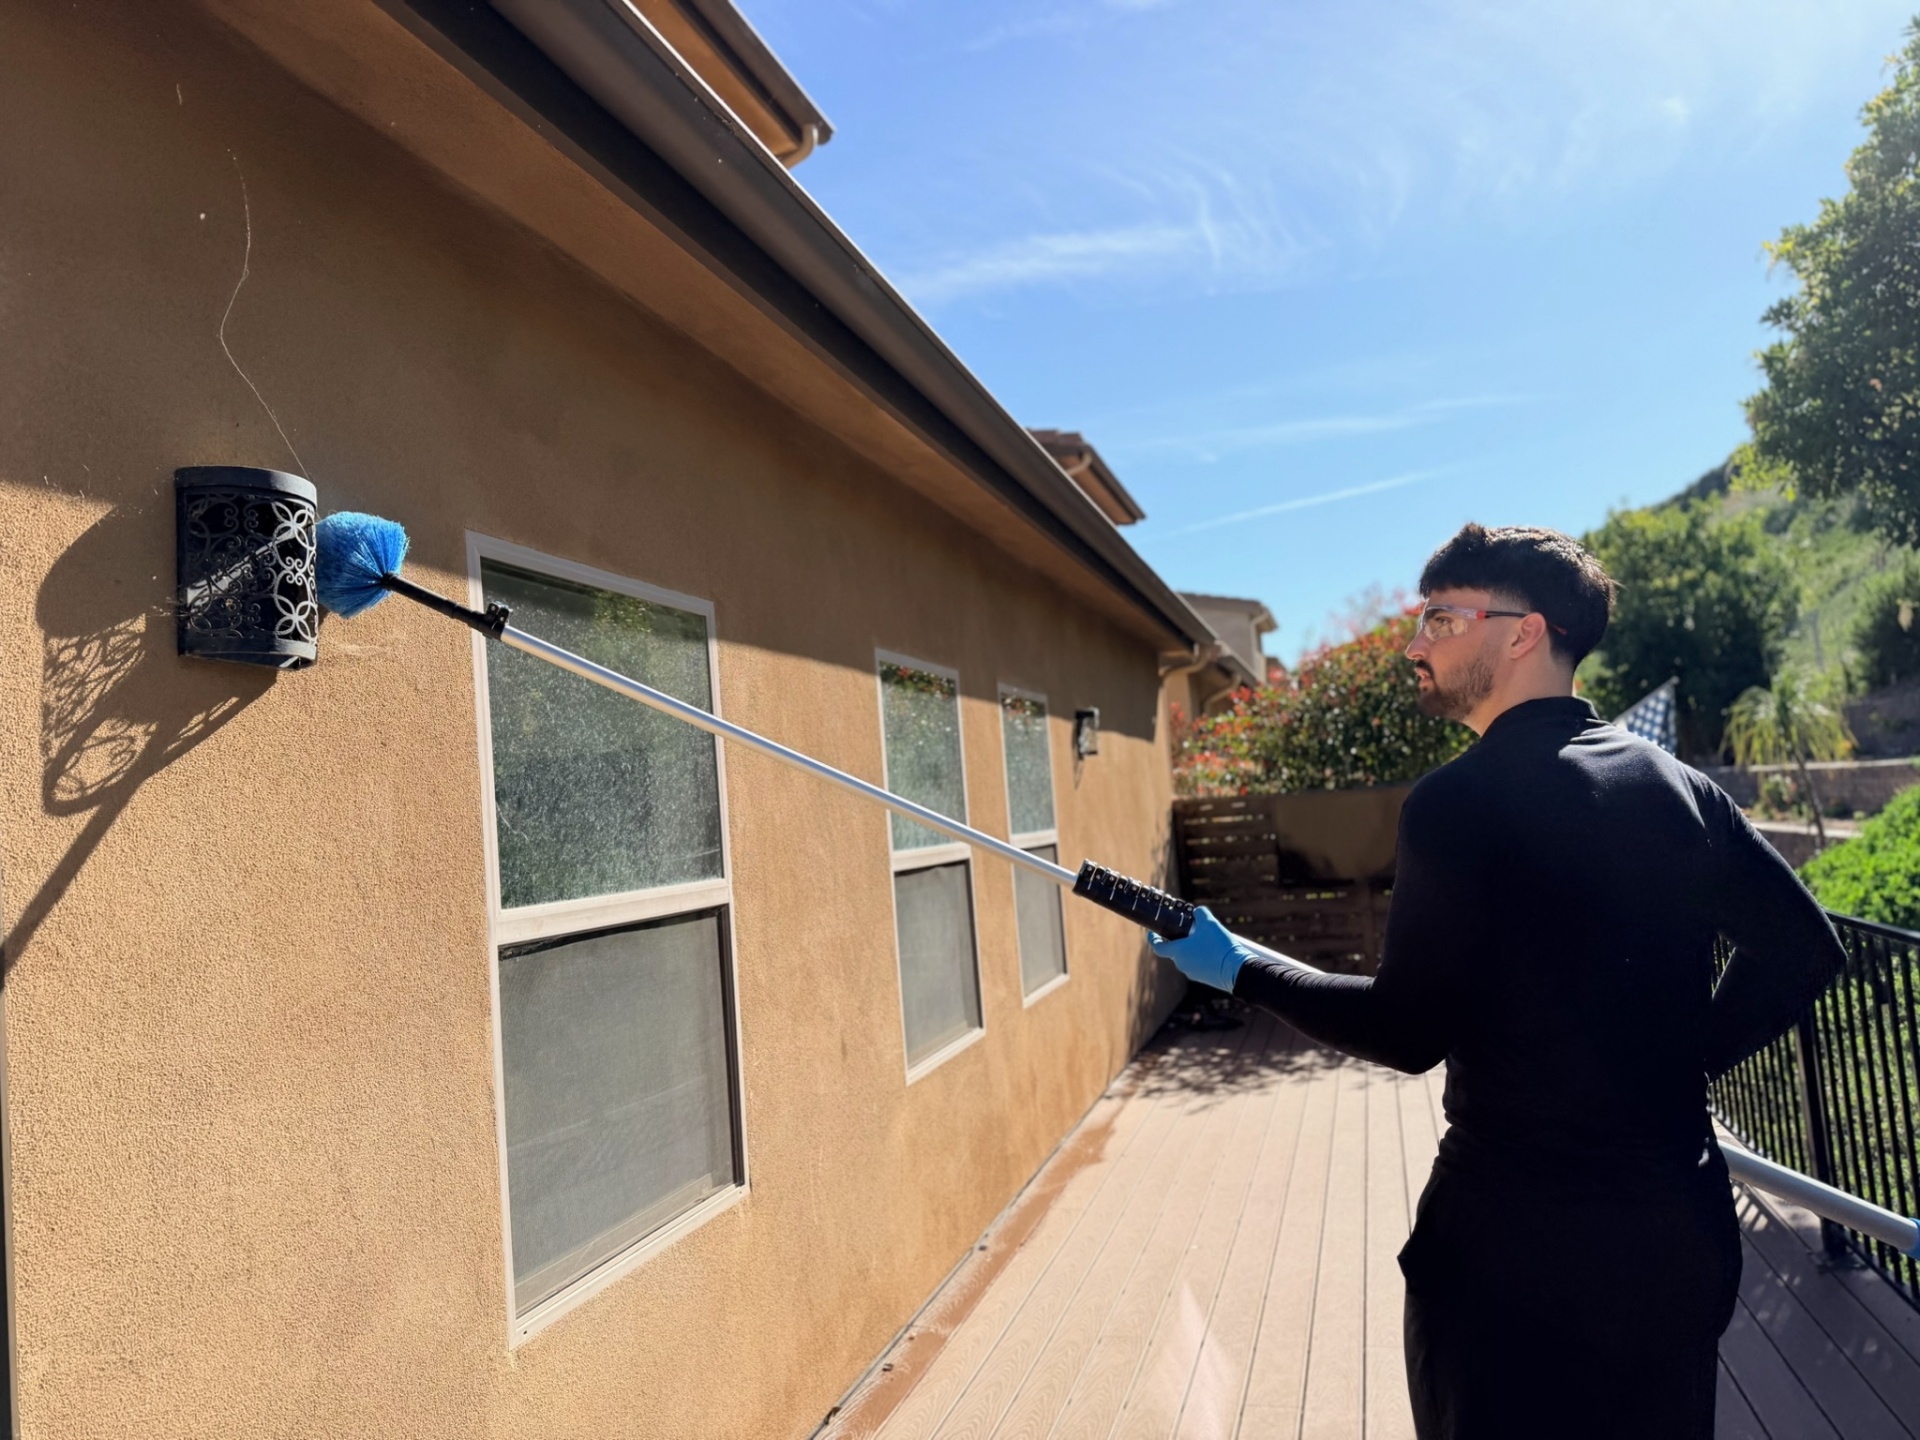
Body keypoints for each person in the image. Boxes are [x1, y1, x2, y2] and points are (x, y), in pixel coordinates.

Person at [1150, 523, 1843, 1440]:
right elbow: (1803, 949)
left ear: (1524, 631)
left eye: (1442, 617)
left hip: (1514, 1254)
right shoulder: (1681, 788)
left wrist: (1240, 966)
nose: (1414, 643)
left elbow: (1406, 1032)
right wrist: (1683, 1067)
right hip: (1676, 1233)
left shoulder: (1457, 803)